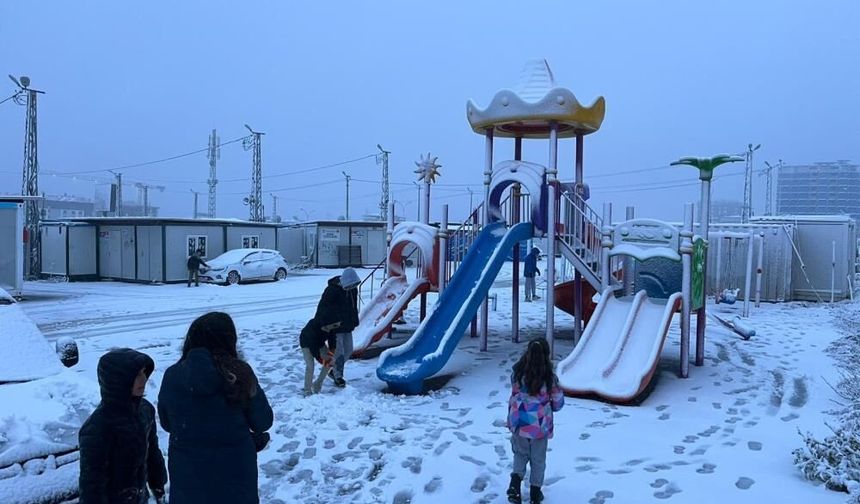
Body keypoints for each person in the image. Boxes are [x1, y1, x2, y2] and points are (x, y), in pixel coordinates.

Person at [157, 312, 274, 504]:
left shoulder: (173, 375)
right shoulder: (240, 373)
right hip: (235, 470)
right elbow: (262, 421)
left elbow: (168, 423)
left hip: (187, 470)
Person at [79, 348, 167, 504]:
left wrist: (158, 484)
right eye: (136, 375)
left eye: (144, 373)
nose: (143, 379)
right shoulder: (98, 427)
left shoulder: (145, 410)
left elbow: (152, 452)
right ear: (118, 381)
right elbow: (92, 484)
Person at [506, 338, 564, 504]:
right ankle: (535, 492)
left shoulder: (517, 373)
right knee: (538, 459)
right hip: (539, 426)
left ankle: (515, 485)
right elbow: (558, 402)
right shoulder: (549, 378)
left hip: (519, 423)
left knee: (520, 454)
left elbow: (514, 393)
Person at [313, 267, 360, 387]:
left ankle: (333, 371)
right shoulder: (332, 290)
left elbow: (353, 307)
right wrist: (321, 325)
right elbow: (323, 307)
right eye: (350, 285)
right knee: (339, 353)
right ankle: (338, 376)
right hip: (335, 327)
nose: (352, 287)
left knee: (348, 351)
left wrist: (354, 321)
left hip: (347, 325)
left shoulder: (353, 289)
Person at [299, 317, 337, 396]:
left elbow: (332, 340)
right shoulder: (313, 327)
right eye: (326, 329)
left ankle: (317, 384)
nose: (328, 330)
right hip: (306, 343)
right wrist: (320, 359)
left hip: (320, 343)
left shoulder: (332, 326)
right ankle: (307, 390)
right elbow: (313, 347)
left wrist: (332, 352)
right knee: (310, 366)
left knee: (330, 361)